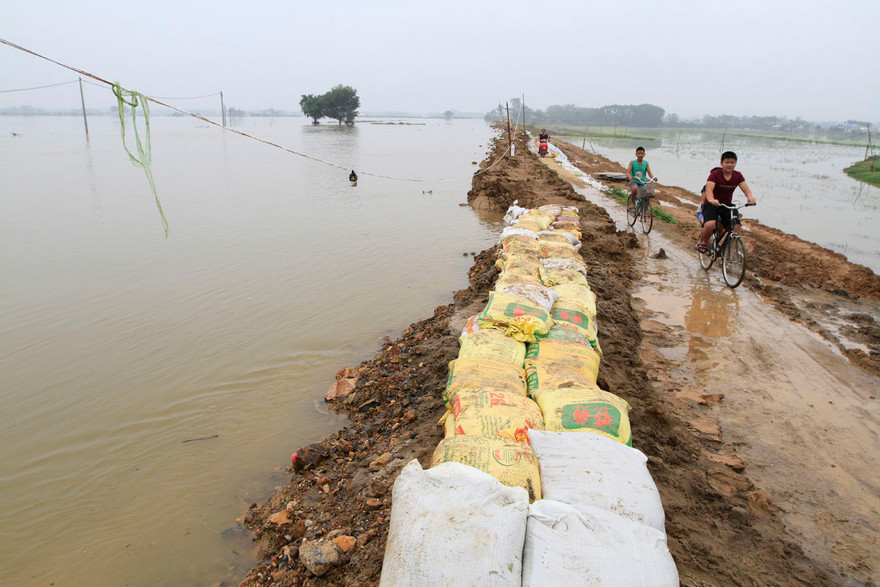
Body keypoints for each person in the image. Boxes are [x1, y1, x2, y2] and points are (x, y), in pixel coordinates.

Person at [696, 152, 756, 253]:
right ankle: (704, 242)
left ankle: (731, 251)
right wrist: (711, 199)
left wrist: (750, 197)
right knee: (710, 224)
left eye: (732, 162)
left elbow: (746, 189)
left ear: (735, 163)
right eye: (727, 162)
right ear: (721, 163)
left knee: (736, 228)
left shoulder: (738, 175)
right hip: (712, 205)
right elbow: (709, 190)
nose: (729, 165)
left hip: (727, 205)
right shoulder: (715, 175)